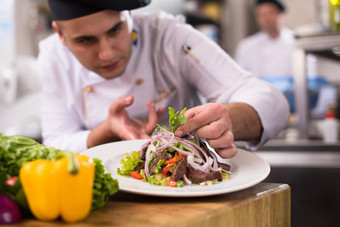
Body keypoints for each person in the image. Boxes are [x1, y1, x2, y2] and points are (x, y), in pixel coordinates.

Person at [38, 0, 289, 158]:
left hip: (185, 189)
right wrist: (105, 132)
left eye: (115, 30)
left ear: (128, 15)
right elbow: (54, 147)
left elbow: (273, 102)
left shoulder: (168, 37)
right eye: (85, 40)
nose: (107, 53)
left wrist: (227, 118)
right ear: (60, 33)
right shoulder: (52, 58)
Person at [235, 0, 293, 77]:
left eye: (270, 13)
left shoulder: (296, 42)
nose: (266, 19)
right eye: (262, 15)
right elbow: (240, 77)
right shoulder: (247, 45)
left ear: (281, 14)